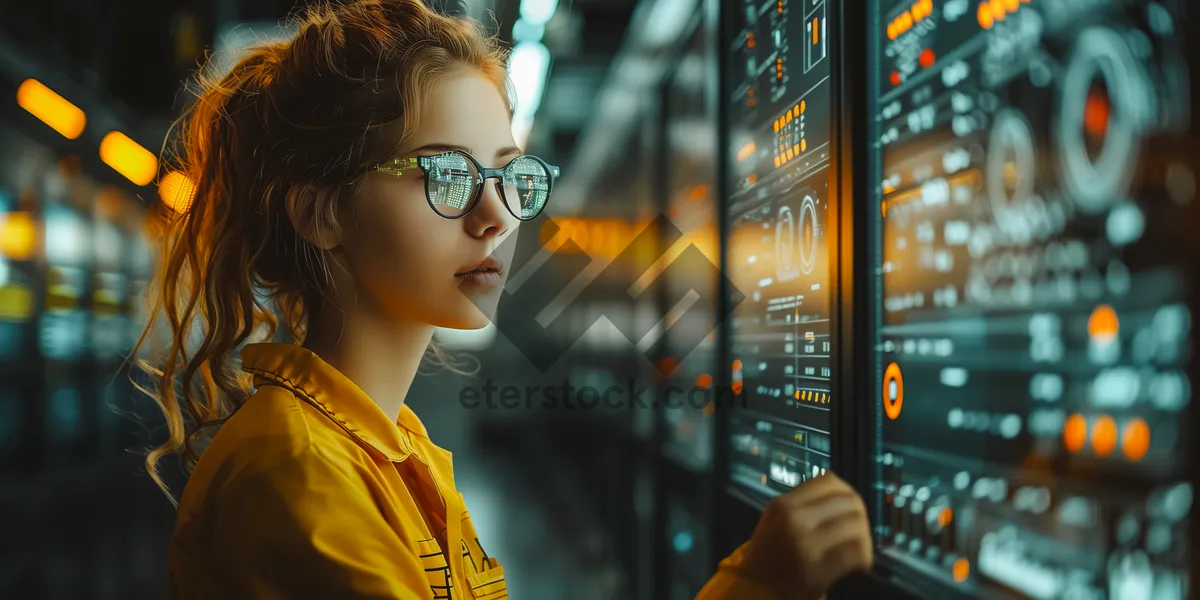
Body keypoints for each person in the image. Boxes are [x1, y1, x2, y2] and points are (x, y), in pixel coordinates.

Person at [134, 1, 874, 599]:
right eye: (447, 176)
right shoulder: (293, 477)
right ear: (320, 212)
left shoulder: (396, 452)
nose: (496, 217)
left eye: (509, 177)